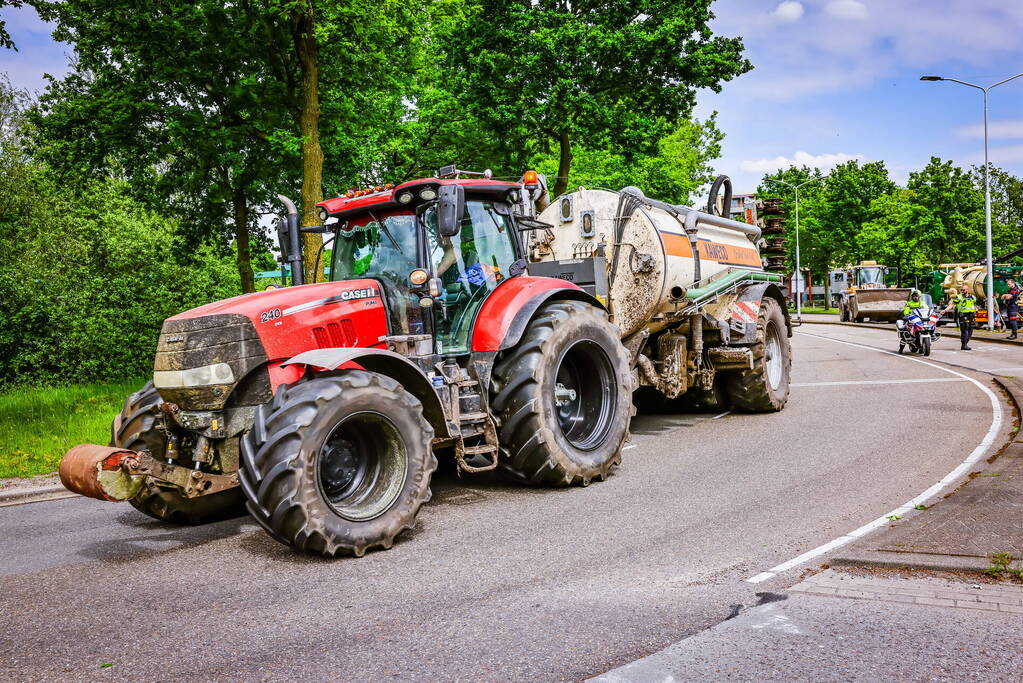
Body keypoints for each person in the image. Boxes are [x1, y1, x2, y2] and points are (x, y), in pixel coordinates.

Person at [944, 284, 977, 350]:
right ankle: (964, 345)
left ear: (967, 290)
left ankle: (965, 343)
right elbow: (952, 304)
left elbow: (974, 305)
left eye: (963, 290)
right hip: (963, 315)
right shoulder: (958, 297)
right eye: (961, 290)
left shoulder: (972, 297)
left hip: (971, 315)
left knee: (970, 331)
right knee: (965, 330)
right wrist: (945, 310)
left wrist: (976, 311)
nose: (962, 291)